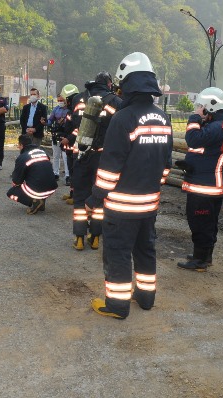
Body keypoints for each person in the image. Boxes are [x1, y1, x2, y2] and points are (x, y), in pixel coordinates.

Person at [85, 52, 173, 320]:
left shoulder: (123, 119)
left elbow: (110, 168)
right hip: (150, 204)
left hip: (122, 207)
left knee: (118, 254)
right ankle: (146, 298)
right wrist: (152, 188)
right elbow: (166, 165)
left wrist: (95, 198)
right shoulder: (164, 119)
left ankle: (117, 305)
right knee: (146, 251)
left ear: (126, 84)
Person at [176, 87, 223, 272]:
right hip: (214, 182)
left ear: (211, 106)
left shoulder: (216, 127)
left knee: (200, 223)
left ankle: (199, 261)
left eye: (202, 108)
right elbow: (208, 151)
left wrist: (194, 118)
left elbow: (193, 139)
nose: (200, 111)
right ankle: (204, 255)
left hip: (204, 187)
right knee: (210, 223)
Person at [70, 71, 123, 251]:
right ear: (109, 84)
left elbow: (73, 125)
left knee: (79, 197)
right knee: (99, 199)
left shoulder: (79, 98)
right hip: (103, 157)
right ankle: (95, 237)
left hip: (81, 153)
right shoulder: (115, 101)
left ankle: (78, 237)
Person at [7, 134, 58, 215]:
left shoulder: (22, 157)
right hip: (52, 187)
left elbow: (17, 181)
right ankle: (41, 202)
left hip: (38, 190)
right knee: (38, 177)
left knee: (11, 192)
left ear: (22, 145)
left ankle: (35, 201)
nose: (18, 147)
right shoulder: (42, 151)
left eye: (18, 145)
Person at [47, 94, 70, 181]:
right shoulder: (56, 109)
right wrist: (46, 122)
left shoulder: (69, 109)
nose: (60, 102)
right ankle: (55, 173)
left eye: (62, 100)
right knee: (56, 155)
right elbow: (50, 120)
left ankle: (67, 175)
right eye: (59, 100)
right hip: (57, 133)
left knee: (65, 156)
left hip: (66, 134)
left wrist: (65, 120)